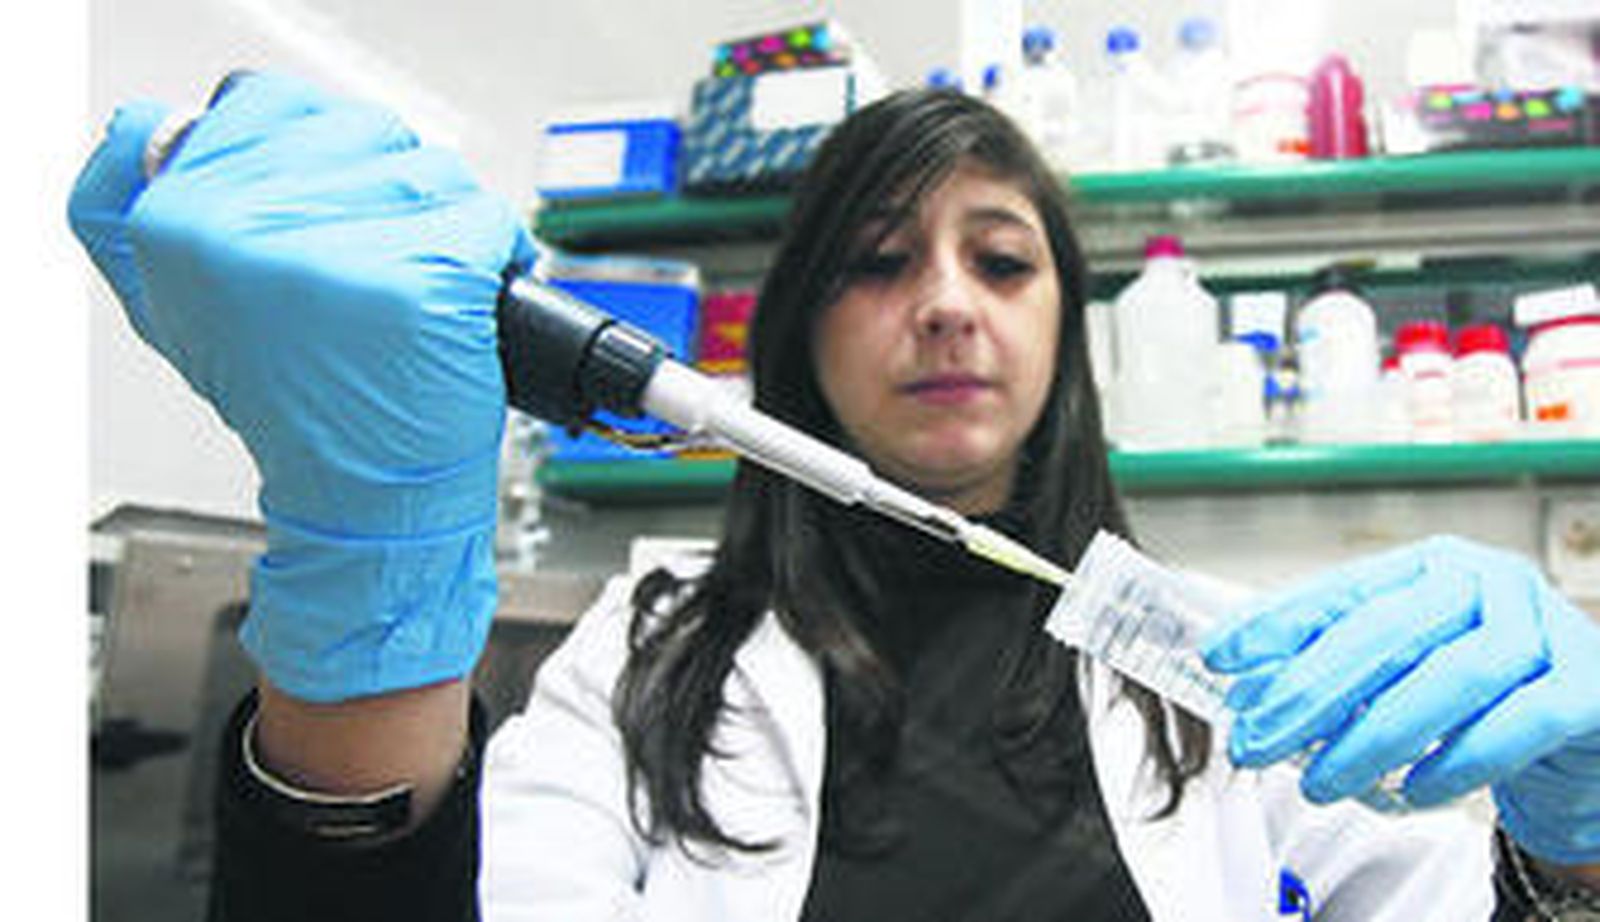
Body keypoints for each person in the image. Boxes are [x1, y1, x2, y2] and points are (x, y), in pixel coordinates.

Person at [70, 71, 1600, 921]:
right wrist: (367, 596)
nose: (945, 306)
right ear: (797, 330)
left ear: (1068, 332)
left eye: (1001, 260)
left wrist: (1578, 854)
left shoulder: (1233, 662)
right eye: (877, 261)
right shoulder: (643, 654)